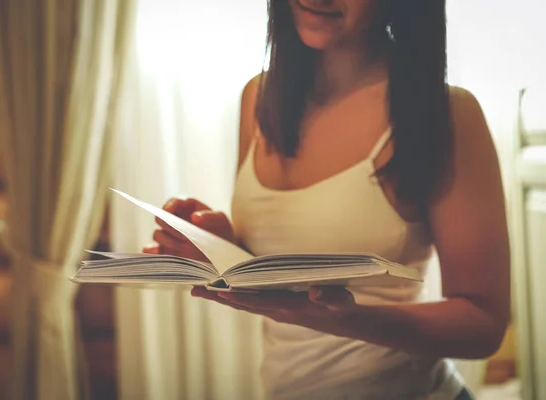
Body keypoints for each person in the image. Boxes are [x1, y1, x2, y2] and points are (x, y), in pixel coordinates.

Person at [143, 1, 510, 399]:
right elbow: (287, 261)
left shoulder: (445, 112)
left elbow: (482, 324)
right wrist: (220, 244)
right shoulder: (259, 97)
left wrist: (348, 319)